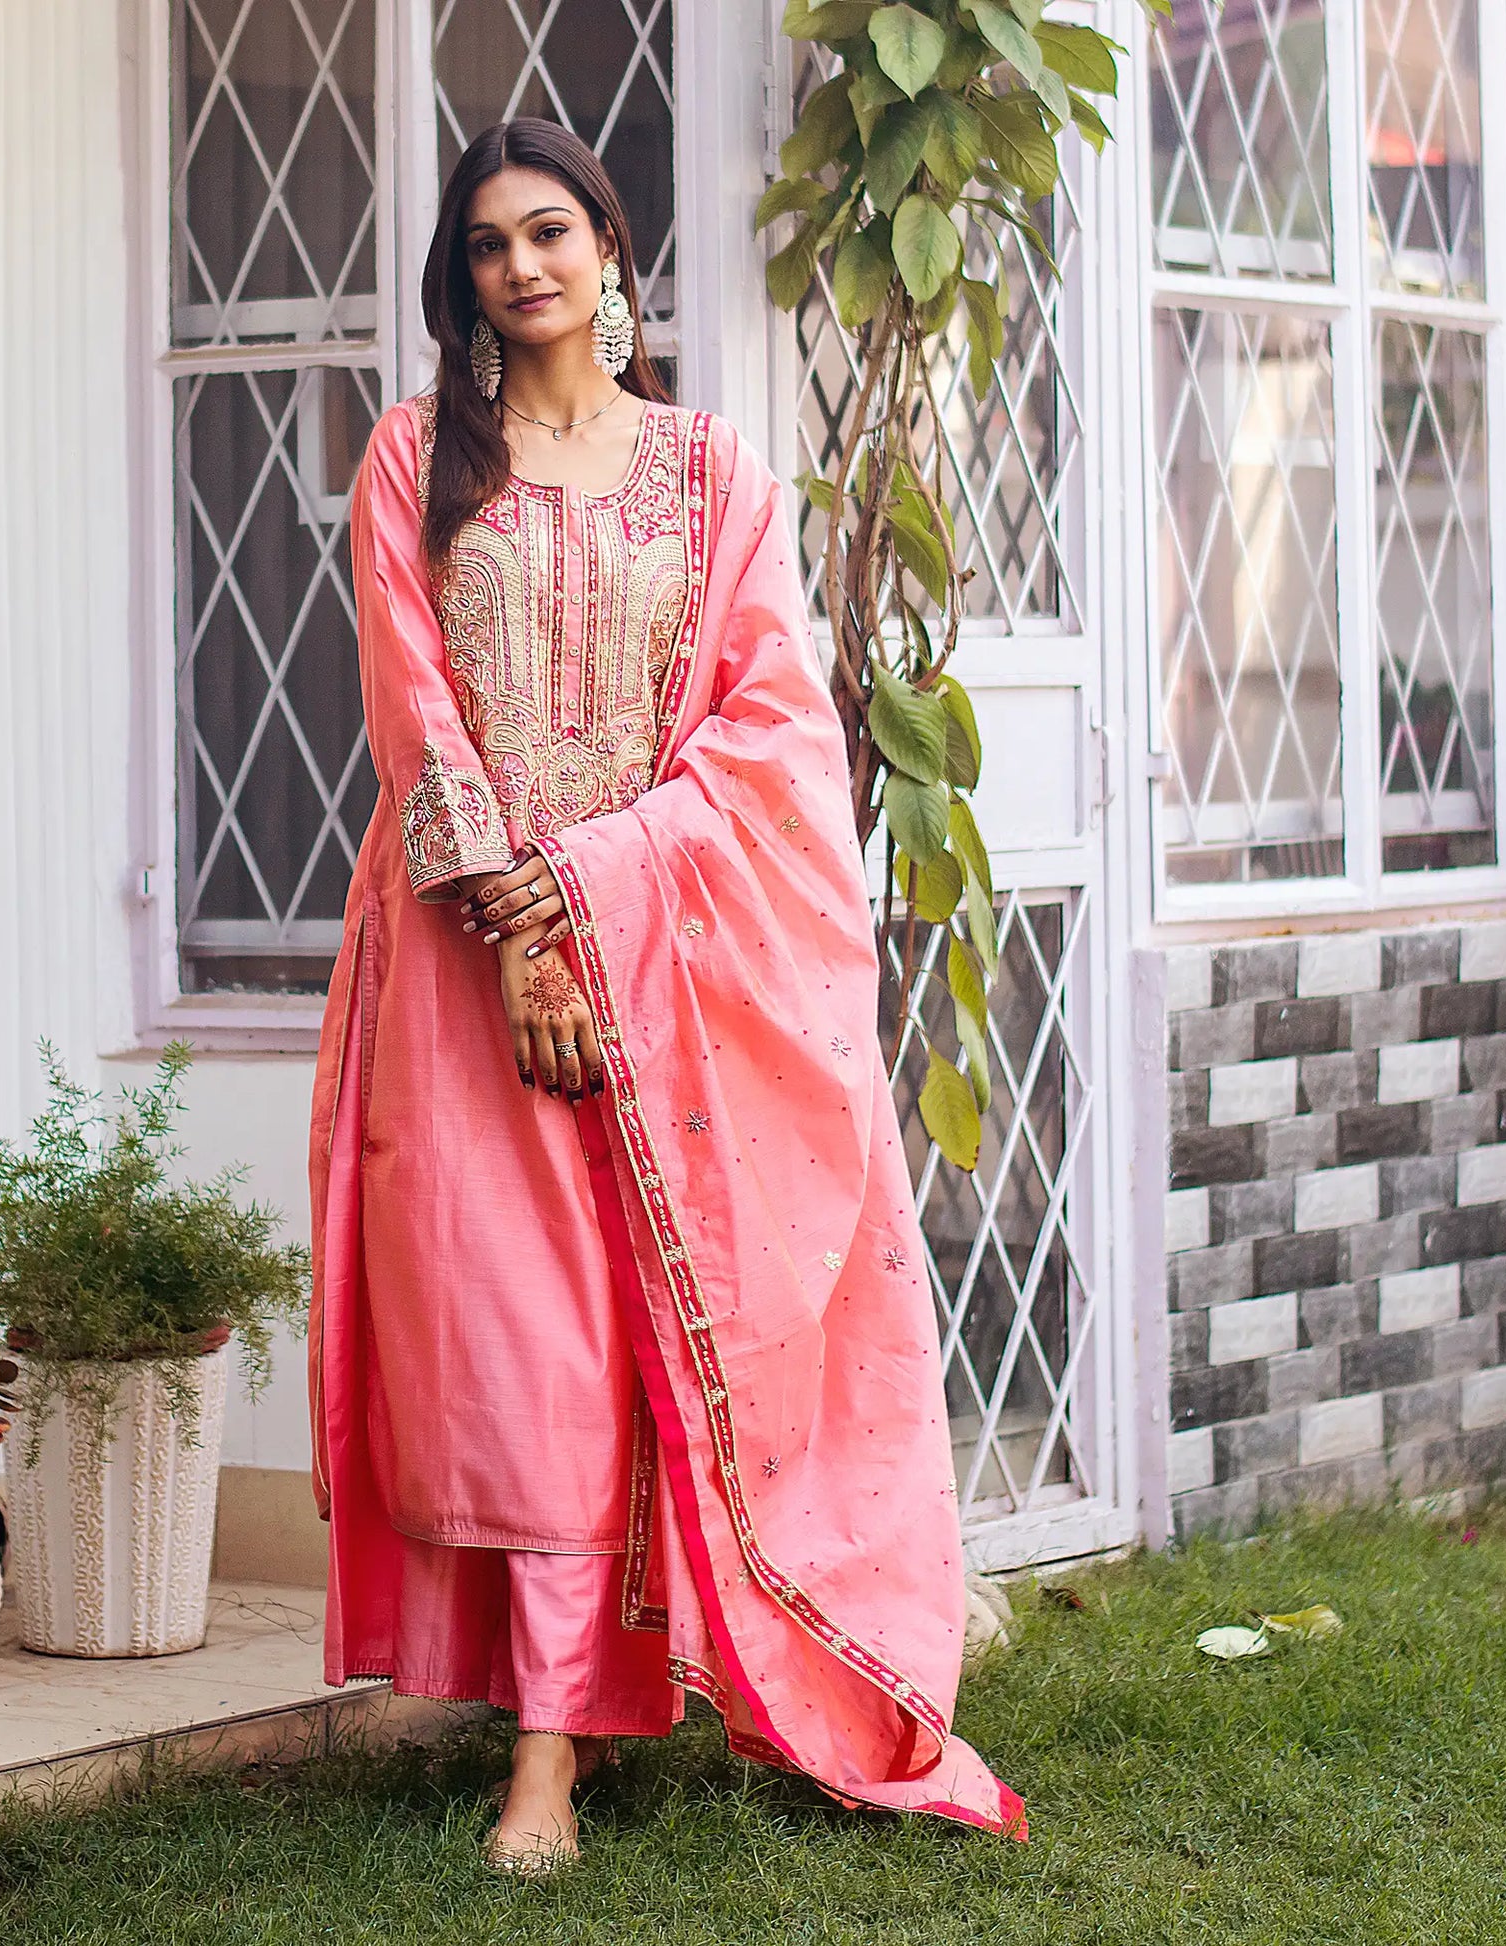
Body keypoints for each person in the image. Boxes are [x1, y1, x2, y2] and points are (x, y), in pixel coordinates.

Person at [306, 116, 1022, 1875]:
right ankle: (541, 1753)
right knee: (529, 1359)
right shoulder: (414, 459)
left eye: (548, 230)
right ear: (460, 280)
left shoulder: (714, 475)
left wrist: (599, 910)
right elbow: (414, 716)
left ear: (611, 248)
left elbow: (766, 736)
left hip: (669, 977)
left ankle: (689, 1668)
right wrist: (526, 936)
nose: (520, 265)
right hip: (468, 975)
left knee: (660, 1337)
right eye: (485, 244)